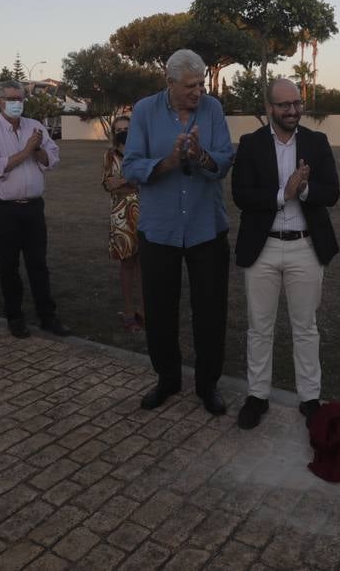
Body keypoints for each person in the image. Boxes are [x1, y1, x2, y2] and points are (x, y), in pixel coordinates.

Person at [123, 49, 235, 415]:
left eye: (201, 84)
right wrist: (169, 162)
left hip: (206, 229)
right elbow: (131, 166)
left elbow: (223, 161)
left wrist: (200, 155)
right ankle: (167, 380)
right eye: (189, 85)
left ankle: (208, 385)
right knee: (159, 310)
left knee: (210, 311)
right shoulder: (144, 111)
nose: (197, 92)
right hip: (160, 230)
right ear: (169, 83)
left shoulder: (213, 110)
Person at [231, 78, 340, 430]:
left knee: (305, 328)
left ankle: (310, 398)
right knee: (259, 328)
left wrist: (304, 190)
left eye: (296, 103)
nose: (292, 110)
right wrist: (283, 194)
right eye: (284, 105)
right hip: (262, 248)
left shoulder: (316, 142)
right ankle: (257, 396)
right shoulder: (249, 144)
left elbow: (333, 192)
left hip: (305, 247)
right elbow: (241, 196)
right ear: (269, 109)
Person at [0, 81, 69, 338]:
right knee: (8, 265)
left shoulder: (36, 127)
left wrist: (36, 148)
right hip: (1, 209)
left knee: (38, 263)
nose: (17, 103)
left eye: (20, 98)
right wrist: (25, 150)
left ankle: (47, 316)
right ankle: (15, 317)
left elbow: (52, 160)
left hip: (33, 209)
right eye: (11, 98)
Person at [102, 114, 143, 331]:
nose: (123, 132)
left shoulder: (143, 152)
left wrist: (125, 181)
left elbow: (149, 180)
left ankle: (144, 311)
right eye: (118, 129)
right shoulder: (110, 156)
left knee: (145, 266)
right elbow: (109, 185)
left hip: (147, 216)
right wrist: (134, 180)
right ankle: (128, 311)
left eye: (127, 128)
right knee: (127, 265)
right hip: (121, 219)